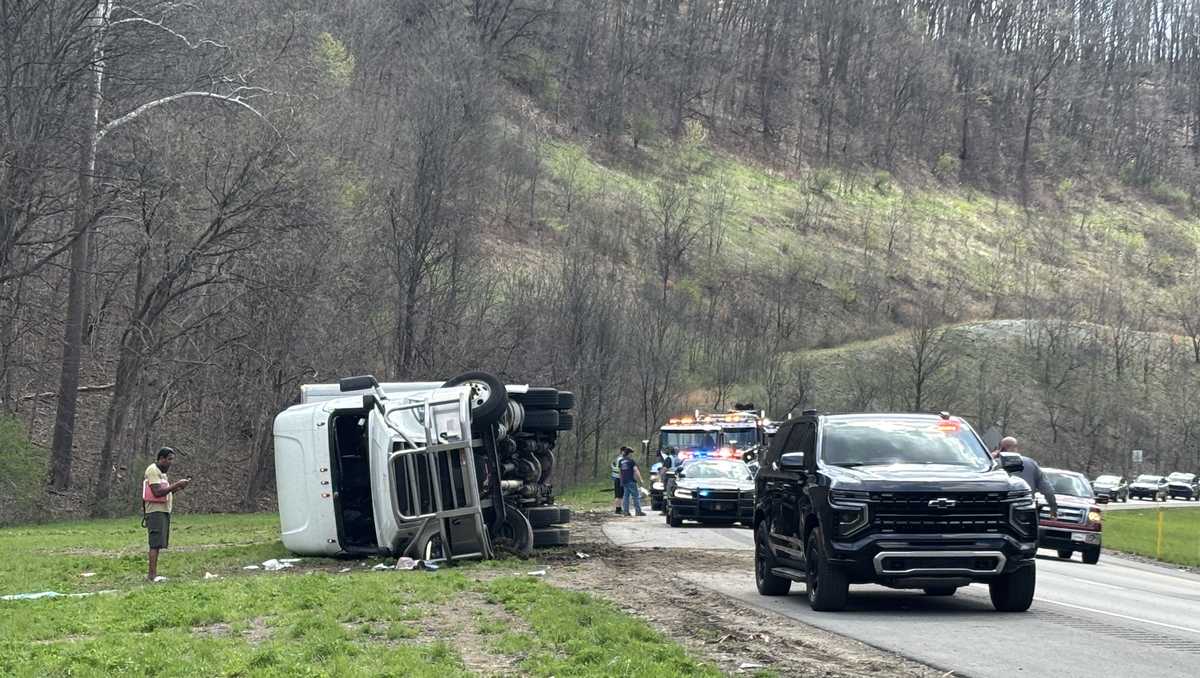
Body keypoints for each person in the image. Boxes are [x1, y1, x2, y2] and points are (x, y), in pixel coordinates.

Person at [143, 447, 190, 581]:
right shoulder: (153, 470)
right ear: (161, 458)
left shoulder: (162, 474)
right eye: (169, 459)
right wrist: (177, 484)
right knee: (154, 544)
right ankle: (151, 576)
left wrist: (178, 487)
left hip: (163, 510)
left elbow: (166, 492)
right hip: (155, 511)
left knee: (158, 544)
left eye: (172, 459)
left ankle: (154, 574)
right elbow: (157, 492)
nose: (171, 462)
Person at [993, 436, 1057, 517]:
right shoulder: (1031, 463)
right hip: (1025, 509)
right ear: (1016, 448)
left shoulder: (994, 464)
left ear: (1001, 448)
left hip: (1000, 509)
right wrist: (1053, 508)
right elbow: (1048, 490)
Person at [618, 446, 646, 516]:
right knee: (635, 496)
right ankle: (638, 511)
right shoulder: (631, 461)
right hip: (631, 481)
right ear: (629, 453)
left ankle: (626, 511)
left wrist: (621, 481)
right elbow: (636, 470)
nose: (632, 455)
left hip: (624, 481)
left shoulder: (621, 461)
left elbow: (620, 472)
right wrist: (641, 479)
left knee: (626, 496)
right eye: (631, 453)